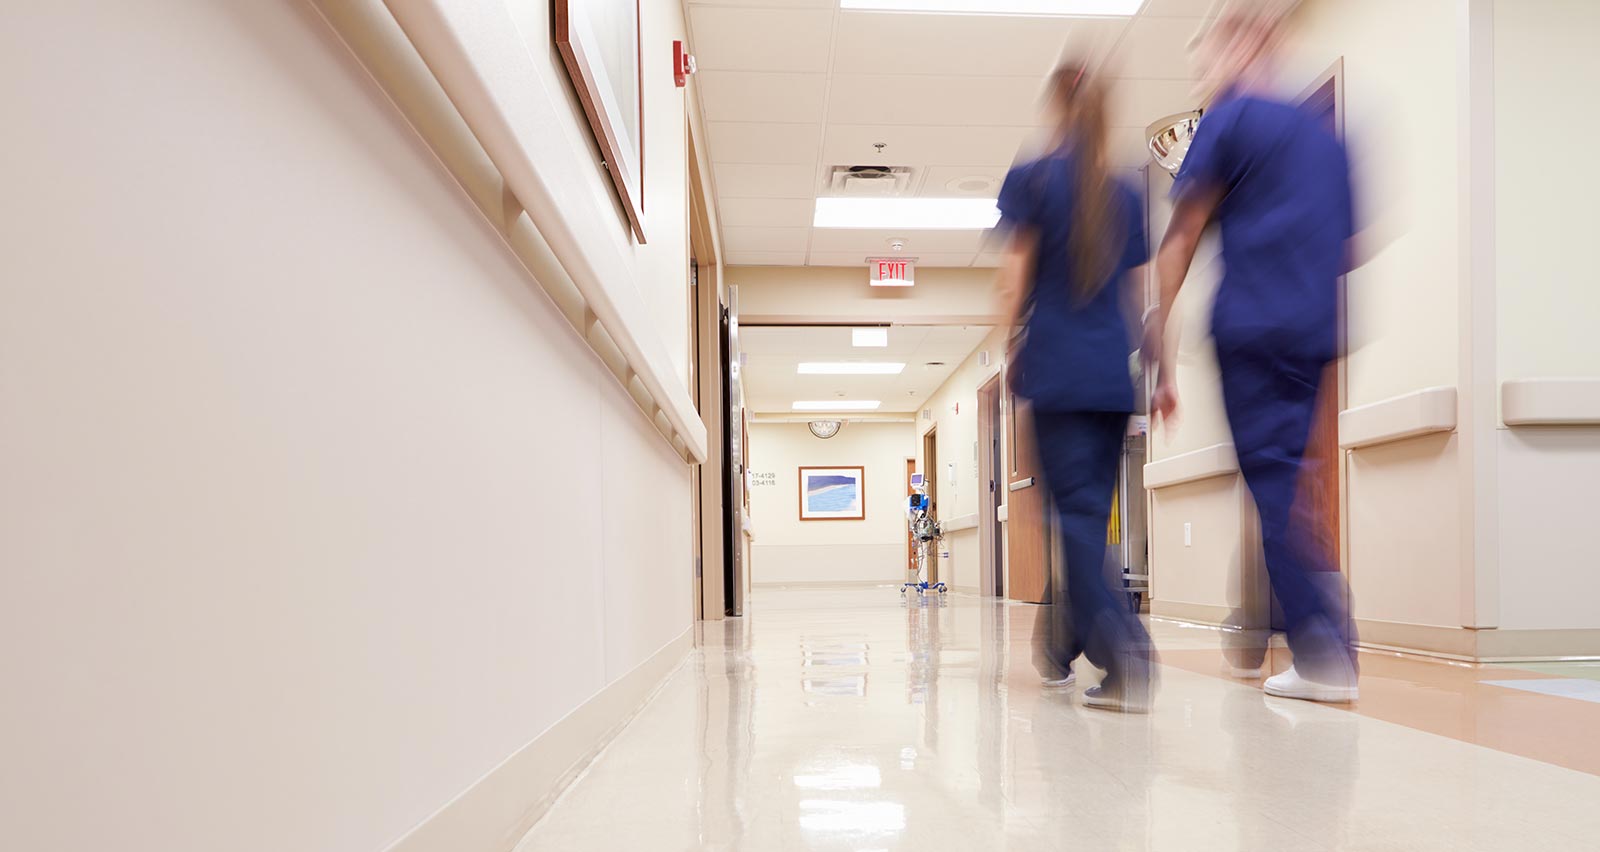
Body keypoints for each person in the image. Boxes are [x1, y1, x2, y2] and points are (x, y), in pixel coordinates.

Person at [1149, 1, 1359, 702]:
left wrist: (1159, 343)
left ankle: (1325, 654)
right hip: (1315, 331)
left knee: (1273, 492)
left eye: (1205, 57)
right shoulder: (1329, 137)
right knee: (1296, 486)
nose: (1204, 73)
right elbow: (1353, 244)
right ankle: (1310, 631)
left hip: (1254, 331)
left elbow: (1179, 239)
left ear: (1242, 46)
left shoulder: (1230, 118)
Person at [997, 62, 1154, 712]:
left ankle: (1128, 657)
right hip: (1111, 376)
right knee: (1088, 518)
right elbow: (1136, 294)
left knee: (1076, 522)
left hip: (1057, 372)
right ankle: (1059, 644)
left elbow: (1015, 276)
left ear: (1056, 105)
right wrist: (1147, 364)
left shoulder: (1034, 178)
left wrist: (1007, 351)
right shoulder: (1127, 190)